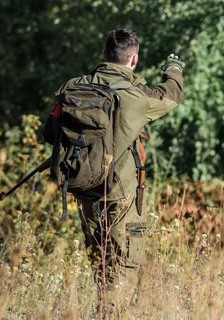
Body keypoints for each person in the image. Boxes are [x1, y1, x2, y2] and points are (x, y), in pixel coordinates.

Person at [43, 28, 185, 312]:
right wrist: (173, 69)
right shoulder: (136, 96)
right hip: (120, 193)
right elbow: (171, 96)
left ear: (103, 54)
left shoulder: (72, 88)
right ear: (133, 60)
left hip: (83, 188)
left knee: (100, 260)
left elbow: (49, 133)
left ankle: (103, 310)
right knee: (124, 265)